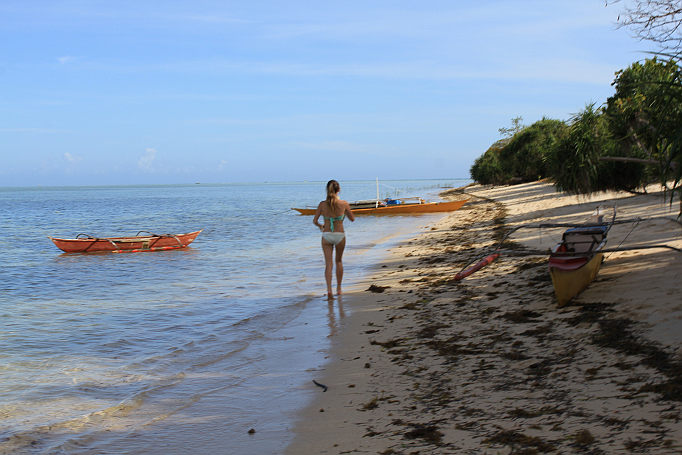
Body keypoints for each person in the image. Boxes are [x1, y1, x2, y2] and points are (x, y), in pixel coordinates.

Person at [313, 180, 355, 299]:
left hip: (326, 235)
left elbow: (314, 221)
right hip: (339, 235)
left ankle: (329, 290)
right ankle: (339, 289)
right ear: (339, 190)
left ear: (327, 190)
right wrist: (342, 214)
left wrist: (321, 226)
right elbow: (352, 219)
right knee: (339, 261)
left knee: (328, 264)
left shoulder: (322, 204)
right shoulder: (344, 203)